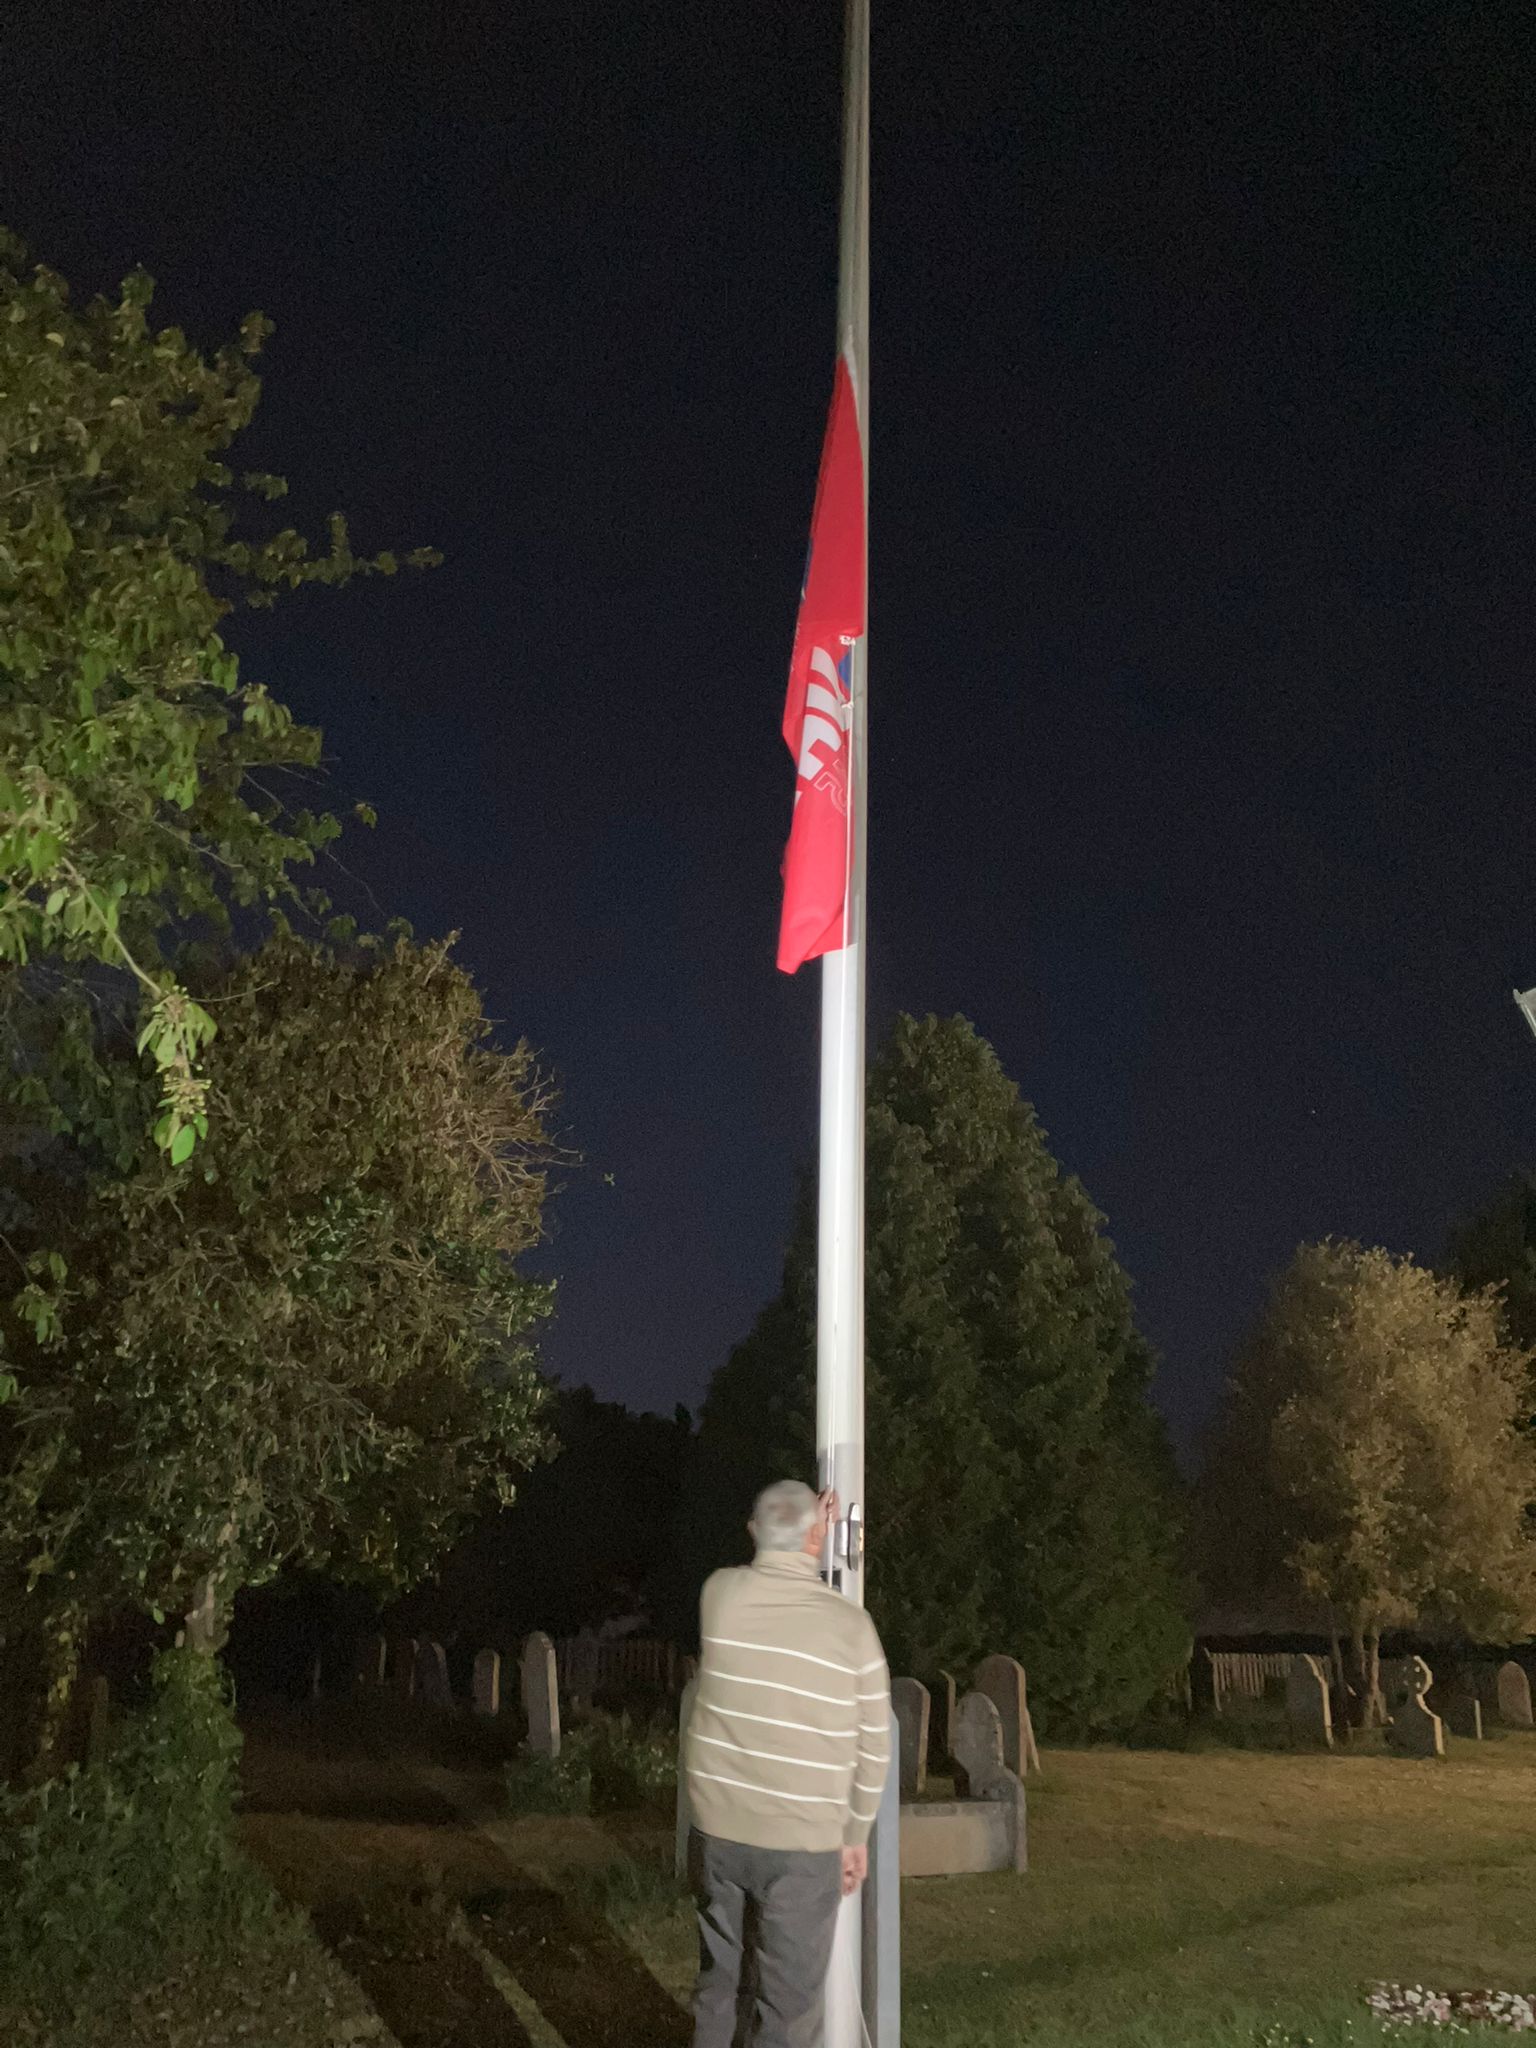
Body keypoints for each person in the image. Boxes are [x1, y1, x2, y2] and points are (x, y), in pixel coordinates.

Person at [683, 1479, 891, 2048]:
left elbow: (771, 1562)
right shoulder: (850, 1627)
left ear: (753, 1533)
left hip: (718, 1834)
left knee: (720, 1983)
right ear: (819, 1535)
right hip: (802, 1846)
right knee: (789, 2010)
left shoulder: (717, 1595)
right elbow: (874, 1742)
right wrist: (855, 1835)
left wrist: (802, 1528)